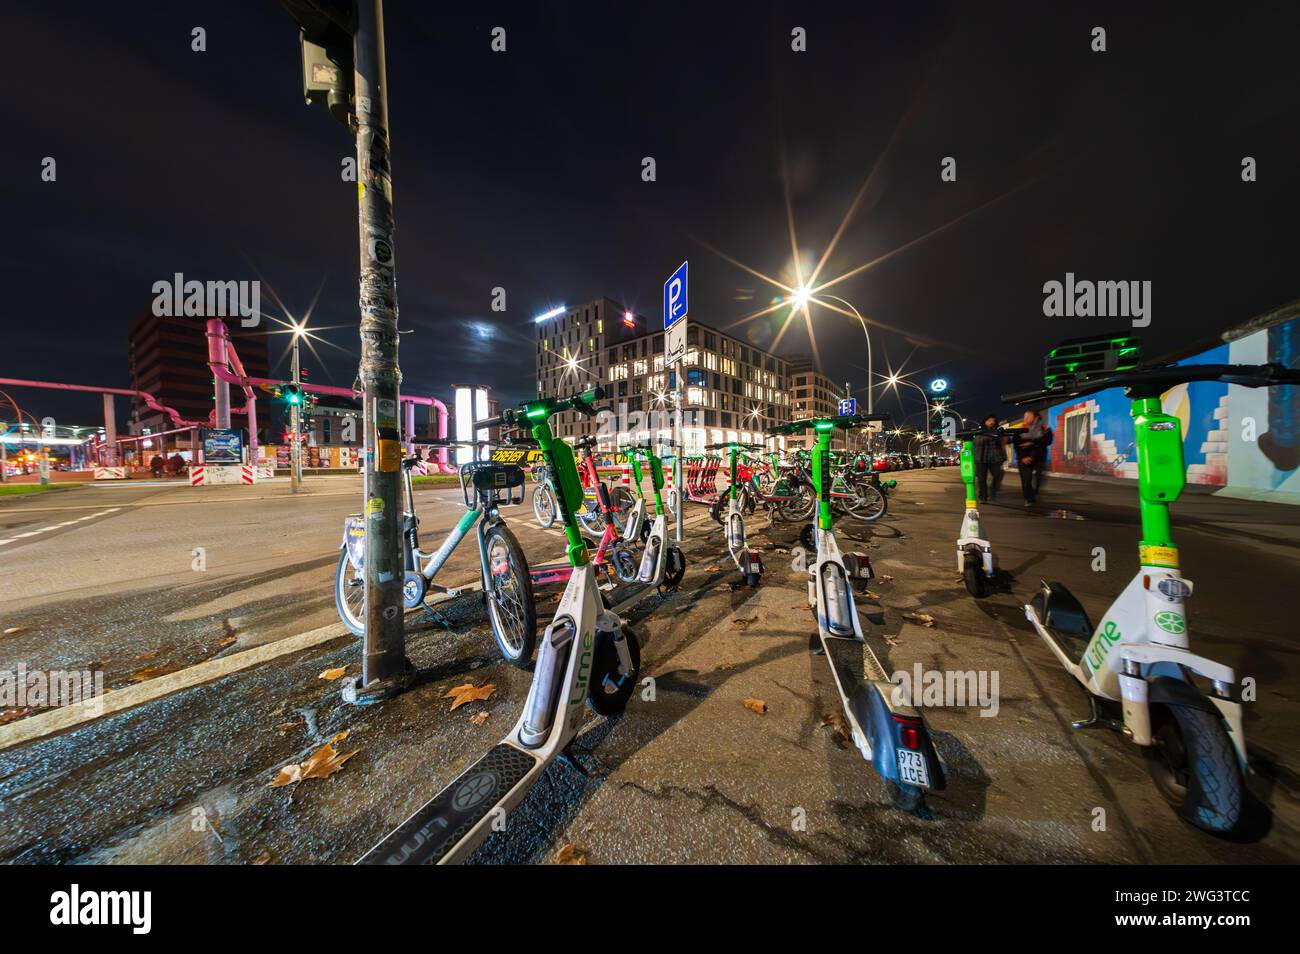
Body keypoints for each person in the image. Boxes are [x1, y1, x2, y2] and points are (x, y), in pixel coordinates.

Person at [1014, 409, 1053, 505]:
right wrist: (1023, 457)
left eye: (1028, 416)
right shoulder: (1021, 428)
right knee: (1026, 479)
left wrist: (1033, 442)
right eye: (1024, 416)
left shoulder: (1044, 428)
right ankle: (1029, 499)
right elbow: (1016, 444)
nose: (1025, 419)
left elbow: (1048, 441)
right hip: (1024, 458)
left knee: (1039, 479)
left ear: (1035, 417)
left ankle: (1034, 493)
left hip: (1039, 457)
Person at [973, 415, 1006, 502]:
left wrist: (1002, 436)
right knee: (981, 479)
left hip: (995, 458)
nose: (992, 422)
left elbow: (1004, 442)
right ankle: (983, 497)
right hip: (981, 458)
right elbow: (976, 442)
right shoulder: (979, 431)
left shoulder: (998, 431)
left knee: (998, 474)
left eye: (993, 420)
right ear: (985, 421)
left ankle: (993, 490)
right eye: (989, 420)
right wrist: (988, 436)